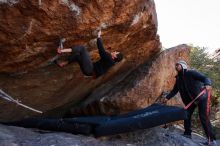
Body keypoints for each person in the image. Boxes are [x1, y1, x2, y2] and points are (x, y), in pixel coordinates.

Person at [162, 60, 216, 145]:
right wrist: (167, 98)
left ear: (183, 66)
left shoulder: (191, 73)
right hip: (190, 101)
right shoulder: (178, 79)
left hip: (201, 98)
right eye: (175, 65)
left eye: (178, 65)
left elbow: (205, 78)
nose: (176, 67)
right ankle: (187, 134)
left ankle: (211, 139)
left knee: (203, 117)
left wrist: (208, 84)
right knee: (186, 115)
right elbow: (175, 90)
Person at [55, 30, 123, 78]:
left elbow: (101, 49)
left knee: (82, 48)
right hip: (89, 71)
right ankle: (63, 64)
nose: (114, 51)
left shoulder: (109, 59)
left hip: (90, 69)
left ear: (115, 57)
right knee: (77, 57)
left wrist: (99, 36)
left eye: (116, 52)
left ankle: (61, 50)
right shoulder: (111, 62)